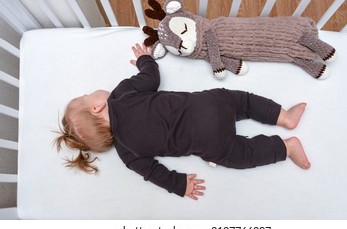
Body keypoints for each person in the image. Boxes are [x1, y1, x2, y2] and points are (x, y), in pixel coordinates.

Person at [55, 43, 311, 201]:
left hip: (211, 143)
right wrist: (145, 61)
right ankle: (284, 116)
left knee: (242, 155)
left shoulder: (127, 153)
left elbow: (154, 173)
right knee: (243, 101)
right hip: (211, 104)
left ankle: (287, 148)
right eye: (88, 94)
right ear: (97, 106)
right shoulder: (122, 94)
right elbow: (151, 78)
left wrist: (180, 185)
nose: (93, 92)